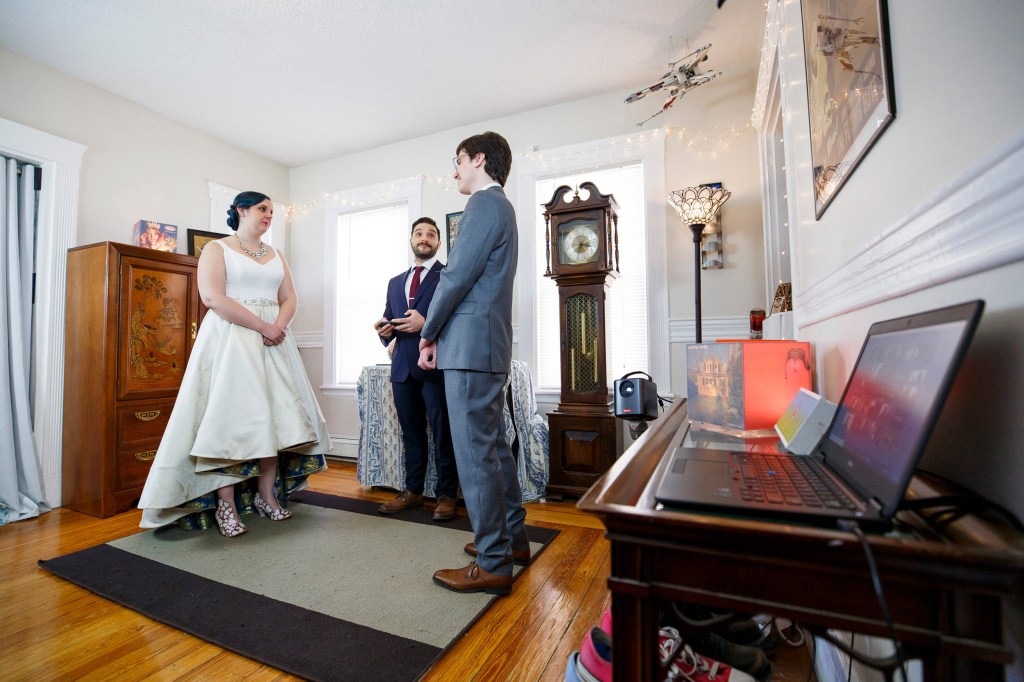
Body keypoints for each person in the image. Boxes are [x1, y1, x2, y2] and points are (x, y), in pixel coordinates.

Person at [138, 191, 331, 537]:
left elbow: (290, 298)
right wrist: (262, 327)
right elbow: (212, 297)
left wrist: (279, 327)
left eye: (271, 211)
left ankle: (266, 497)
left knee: (274, 421)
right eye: (262, 209)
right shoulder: (217, 249)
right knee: (230, 422)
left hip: (274, 344)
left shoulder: (276, 254)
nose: (268, 215)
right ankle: (225, 506)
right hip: (233, 341)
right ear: (241, 210)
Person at [418, 132, 528, 596]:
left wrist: (428, 332)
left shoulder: (484, 205)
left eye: (458, 160)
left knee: (475, 454)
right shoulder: (503, 208)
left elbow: (456, 275)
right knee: (495, 449)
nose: (456, 170)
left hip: (469, 347)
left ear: (479, 159)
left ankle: (493, 563)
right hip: (488, 346)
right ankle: (512, 541)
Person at [374, 217, 459, 521]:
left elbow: (458, 317)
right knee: (411, 433)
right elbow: (389, 318)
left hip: (436, 367)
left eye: (431, 234)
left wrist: (427, 325)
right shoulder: (395, 282)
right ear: (411, 239)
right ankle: (413, 492)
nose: (424, 238)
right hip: (402, 370)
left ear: (438, 242)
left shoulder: (449, 274)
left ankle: (447, 495)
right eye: (419, 233)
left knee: (443, 434)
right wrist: (384, 330)